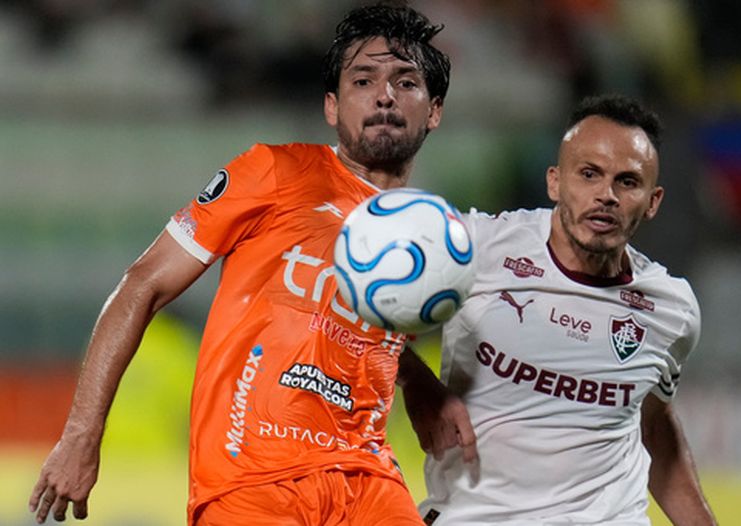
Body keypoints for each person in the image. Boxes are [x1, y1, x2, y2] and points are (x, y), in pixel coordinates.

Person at [29, 4, 455, 525]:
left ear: (434, 110)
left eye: (406, 82)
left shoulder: (429, 237)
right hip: (252, 480)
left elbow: (362, 324)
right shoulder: (273, 172)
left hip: (367, 477)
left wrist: (421, 384)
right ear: (331, 105)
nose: (384, 95)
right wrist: (80, 436)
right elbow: (143, 284)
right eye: (363, 80)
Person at [401, 94, 717, 525]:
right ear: (555, 182)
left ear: (653, 200)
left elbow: (655, 426)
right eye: (589, 174)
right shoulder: (475, 247)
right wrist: (417, 381)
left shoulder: (671, 310)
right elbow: (351, 296)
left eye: (627, 182)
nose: (606, 195)